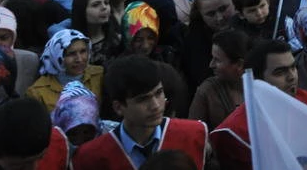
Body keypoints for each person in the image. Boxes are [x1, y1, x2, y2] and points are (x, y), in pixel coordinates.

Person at [72, 55, 209, 169]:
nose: (155, 105)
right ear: (118, 107)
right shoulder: (90, 156)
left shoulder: (194, 135)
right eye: (143, 100)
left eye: (159, 93)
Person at [211, 40, 307, 170]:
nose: (292, 77)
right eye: (280, 72)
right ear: (257, 80)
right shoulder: (235, 133)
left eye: (293, 67)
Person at [24, 28, 104, 112]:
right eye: (71, 54)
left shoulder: (99, 75)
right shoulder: (37, 92)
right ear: (56, 56)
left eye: (83, 51)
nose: (79, 59)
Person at [189, 29, 248, 130]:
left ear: (239, 64)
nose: (211, 65)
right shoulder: (207, 91)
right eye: (212, 58)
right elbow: (192, 132)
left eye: (217, 60)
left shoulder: (262, 89)